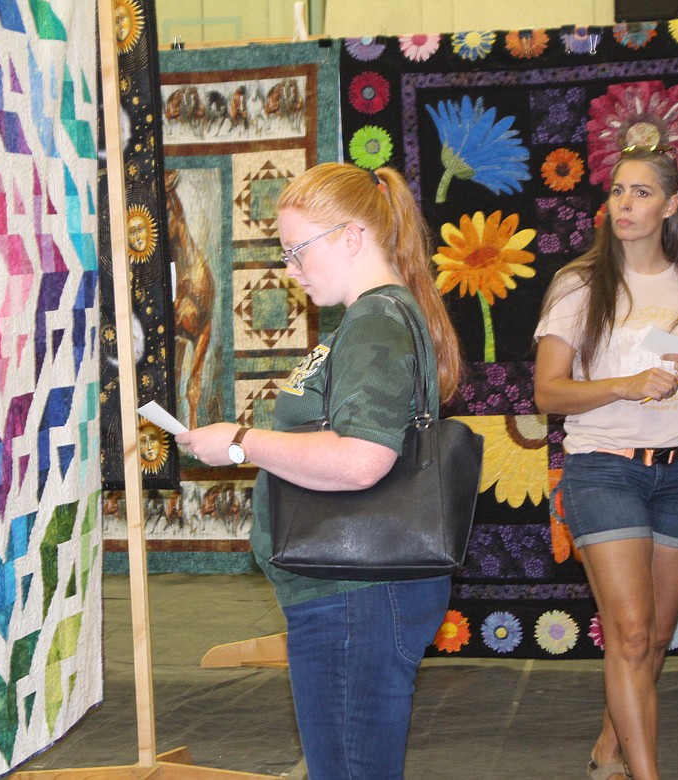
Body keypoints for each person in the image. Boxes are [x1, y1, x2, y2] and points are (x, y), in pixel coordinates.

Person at [175, 162, 461, 779]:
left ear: (354, 236)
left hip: (355, 595)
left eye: (298, 250)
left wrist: (244, 441)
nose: (291, 269)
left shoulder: (375, 322)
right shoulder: (379, 317)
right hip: (352, 591)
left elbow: (362, 459)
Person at [533, 144, 678, 780]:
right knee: (627, 632)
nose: (625, 203)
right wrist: (622, 384)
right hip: (604, 467)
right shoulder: (578, 284)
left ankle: (608, 748)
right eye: (619, 191)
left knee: (651, 638)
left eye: (642, 192)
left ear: (671, 205)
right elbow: (547, 394)